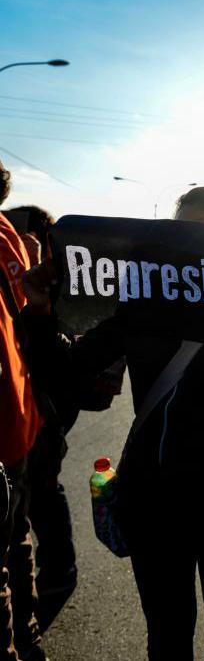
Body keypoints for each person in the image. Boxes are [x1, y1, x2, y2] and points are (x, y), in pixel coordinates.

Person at [20, 186, 204, 660]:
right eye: (181, 234)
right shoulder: (141, 308)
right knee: (168, 639)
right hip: (153, 499)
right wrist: (40, 313)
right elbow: (65, 377)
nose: (191, 248)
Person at [2, 205, 80, 631]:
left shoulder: (36, 271)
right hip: (26, 409)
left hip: (38, 407)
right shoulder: (21, 263)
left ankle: (44, 596)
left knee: (40, 490)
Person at [0, 160, 45, 661]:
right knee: (16, 537)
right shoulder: (9, 236)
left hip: (12, 417)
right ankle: (29, 639)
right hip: (18, 415)